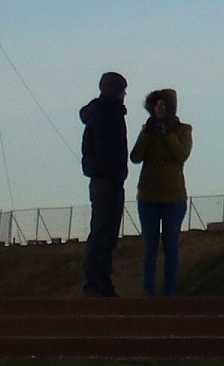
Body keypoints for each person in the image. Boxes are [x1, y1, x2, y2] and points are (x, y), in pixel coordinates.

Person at [129, 87, 191, 296]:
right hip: (148, 195)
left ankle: (170, 291)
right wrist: (147, 134)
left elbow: (181, 155)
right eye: (157, 105)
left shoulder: (183, 130)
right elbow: (136, 156)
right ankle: (149, 290)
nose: (160, 109)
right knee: (150, 244)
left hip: (174, 196)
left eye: (164, 105)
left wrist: (169, 133)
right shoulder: (148, 130)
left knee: (171, 245)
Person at [79, 71, 130, 296]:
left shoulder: (101, 114)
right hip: (107, 181)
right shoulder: (107, 116)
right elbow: (106, 151)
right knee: (103, 234)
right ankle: (97, 284)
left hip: (104, 180)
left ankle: (100, 282)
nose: (124, 95)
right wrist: (114, 174)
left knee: (104, 234)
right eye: (121, 90)